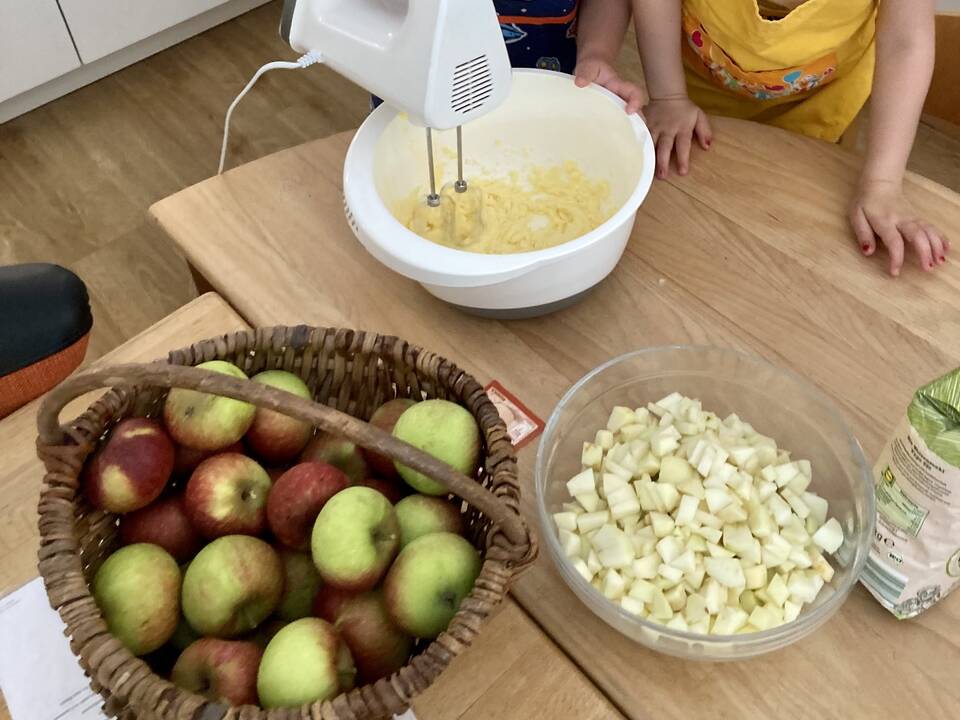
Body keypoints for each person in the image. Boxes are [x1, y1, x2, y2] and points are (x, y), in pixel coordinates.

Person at [629, 0, 949, 276]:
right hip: (698, 93)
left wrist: (883, 183)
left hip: (816, 101)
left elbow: (905, 41)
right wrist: (668, 97)